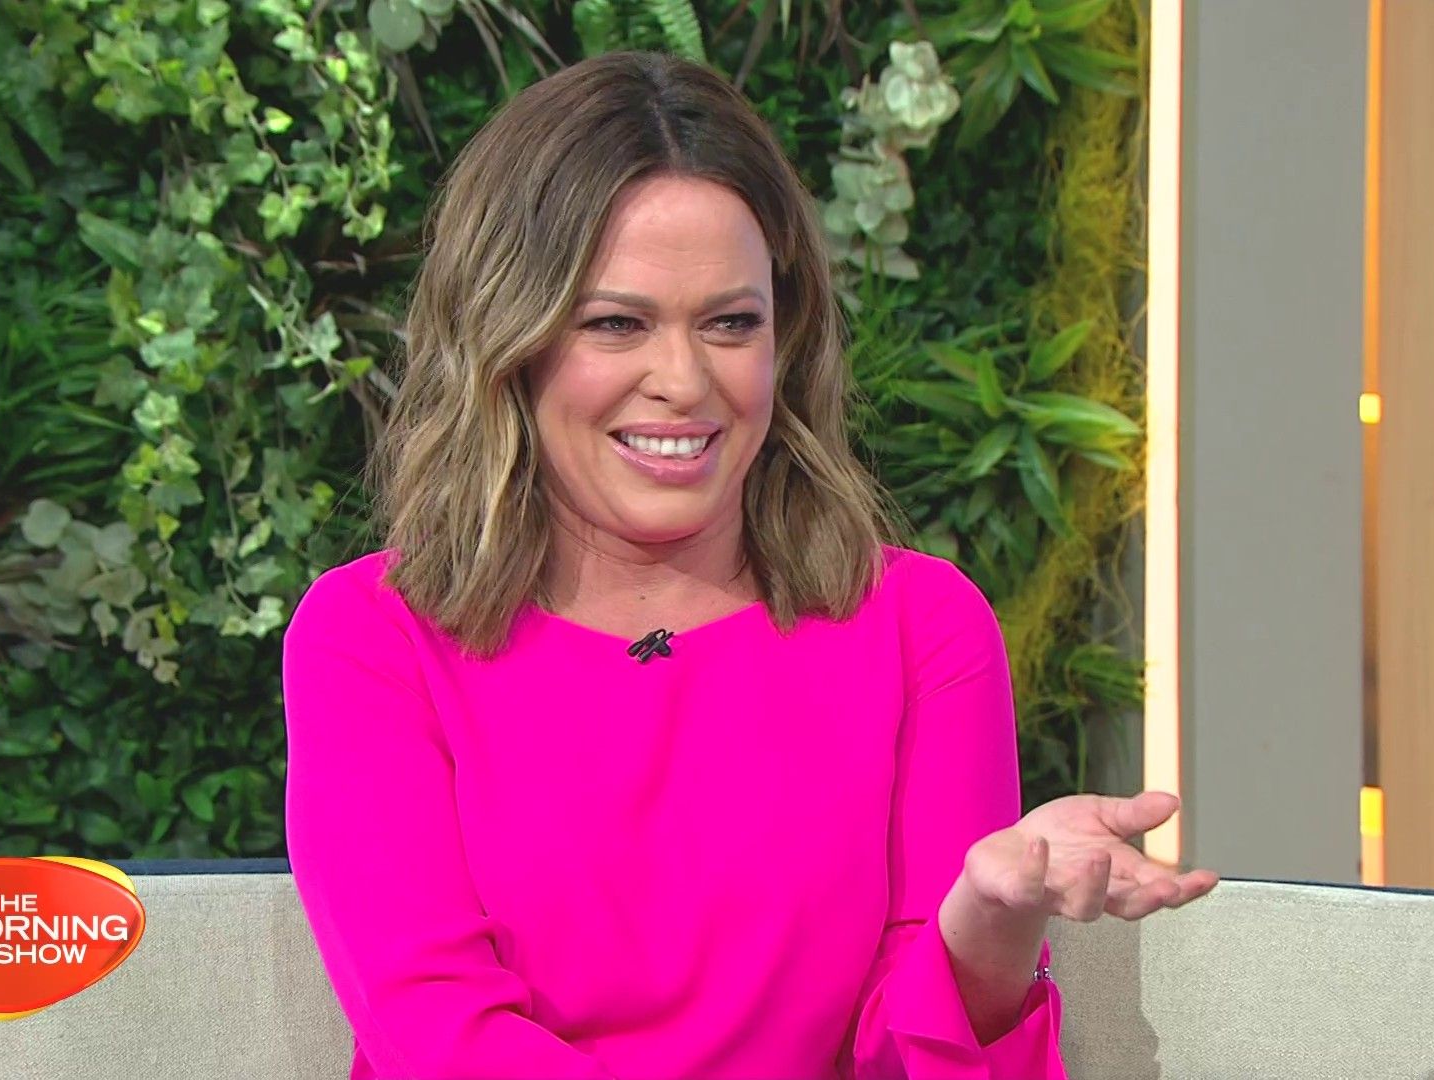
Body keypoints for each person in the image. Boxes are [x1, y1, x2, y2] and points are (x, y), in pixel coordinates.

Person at [281, 48, 1217, 1080]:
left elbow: (912, 1060)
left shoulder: (921, 627)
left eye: (731, 323)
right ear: (510, 340)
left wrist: (989, 923)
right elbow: (440, 1036)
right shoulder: (373, 637)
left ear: (787, 336)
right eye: (616, 323)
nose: (684, 381)